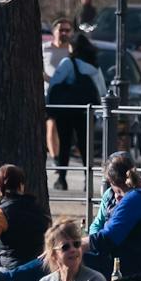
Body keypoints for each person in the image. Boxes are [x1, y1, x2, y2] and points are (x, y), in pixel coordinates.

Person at [84, 152, 141, 280]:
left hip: (133, 266)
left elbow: (108, 237)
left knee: (76, 260)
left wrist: (74, 245)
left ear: (111, 181)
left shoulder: (134, 199)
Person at [45, 32, 104, 189]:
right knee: (86, 146)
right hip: (87, 112)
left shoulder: (68, 63)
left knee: (65, 144)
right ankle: (88, 181)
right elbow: (102, 90)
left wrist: (50, 106)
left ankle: (62, 179)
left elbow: (54, 85)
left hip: (67, 110)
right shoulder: (94, 66)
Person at [42, 18, 74, 85]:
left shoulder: (75, 51)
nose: (64, 33)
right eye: (61, 30)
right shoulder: (44, 48)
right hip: (49, 93)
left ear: (71, 33)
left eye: (67, 30)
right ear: (53, 31)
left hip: (70, 93)